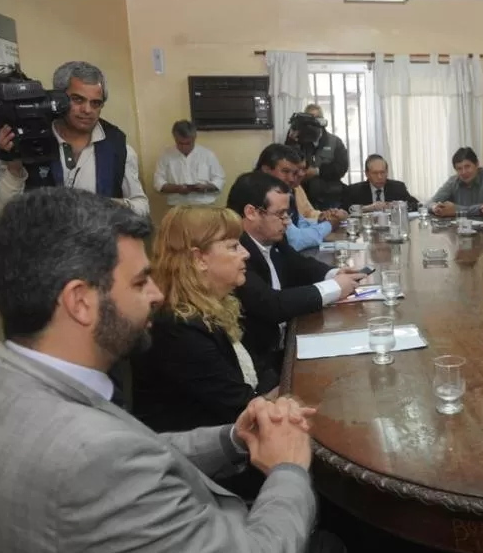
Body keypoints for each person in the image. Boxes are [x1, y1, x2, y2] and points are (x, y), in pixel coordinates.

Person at [0, 188, 450, 553]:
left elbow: (141, 452)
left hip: (194, 551)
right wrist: (289, 469)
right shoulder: (88, 456)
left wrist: (232, 436)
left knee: (346, 543)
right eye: (138, 283)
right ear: (80, 301)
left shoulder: (22, 382)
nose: (155, 295)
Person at [131, 206, 279, 433]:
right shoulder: (176, 327)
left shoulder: (219, 303)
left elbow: (261, 369)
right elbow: (241, 409)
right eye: (233, 246)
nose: (246, 253)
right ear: (199, 258)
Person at [228, 171, 365, 373]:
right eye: (280, 214)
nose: (286, 221)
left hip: (286, 342)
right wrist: (334, 287)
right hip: (262, 361)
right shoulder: (235, 252)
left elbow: (299, 264)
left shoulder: (272, 237)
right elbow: (271, 304)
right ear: (251, 212)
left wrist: (335, 273)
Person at [0, 60, 148, 218]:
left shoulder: (119, 148)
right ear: (57, 98)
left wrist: (103, 204)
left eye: (95, 103)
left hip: (100, 240)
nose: (87, 110)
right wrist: (14, 168)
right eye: (78, 99)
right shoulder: (24, 140)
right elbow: (2, 214)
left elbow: (142, 207)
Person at [255, 143, 345, 251]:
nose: (292, 178)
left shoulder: (287, 192)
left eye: (293, 173)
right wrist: (329, 224)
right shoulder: (257, 194)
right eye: (285, 171)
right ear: (266, 169)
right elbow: (295, 241)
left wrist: (321, 220)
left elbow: (300, 224)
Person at [287, 104, 350, 210]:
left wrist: (317, 171)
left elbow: (341, 167)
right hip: (305, 196)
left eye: (316, 118)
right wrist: (291, 140)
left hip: (330, 195)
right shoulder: (299, 140)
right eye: (309, 119)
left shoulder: (335, 142)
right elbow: (288, 161)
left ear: (322, 121)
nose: (312, 123)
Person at [153, 119, 225, 206]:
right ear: (174, 138)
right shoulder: (166, 156)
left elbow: (219, 180)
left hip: (204, 204)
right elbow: (158, 182)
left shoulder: (207, 155)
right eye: (180, 143)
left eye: (188, 143)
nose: (184, 147)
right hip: (177, 206)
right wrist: (177, 189)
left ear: (194, 138)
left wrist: (205, 188)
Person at [428, 147, 483, 218]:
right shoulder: (453, 181)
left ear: (477, 164)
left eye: (467, 166)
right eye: (459, 169)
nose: (464, 172)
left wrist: (457, 210)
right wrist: (435, 207)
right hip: (458, 228)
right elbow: (429, 204)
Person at [343, 154, 420, 212]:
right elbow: (345, 210)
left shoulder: (398, 187)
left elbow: (416, 205)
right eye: (375, 173)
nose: (379, 177)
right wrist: (367, 208)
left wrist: (397, 206)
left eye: (382, 172)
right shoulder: (354, 190)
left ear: (387, 172)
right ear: (367, 174)